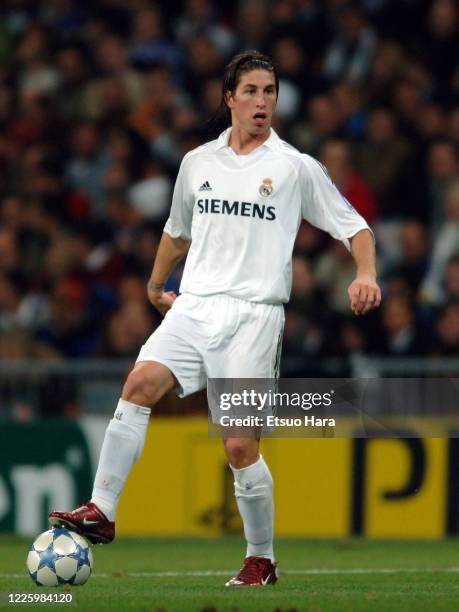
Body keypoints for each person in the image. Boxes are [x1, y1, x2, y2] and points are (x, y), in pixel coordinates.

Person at [49, 51, 381, 586]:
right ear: (229, 98)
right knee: (138, 384)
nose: (261, 101)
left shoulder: (293, 166)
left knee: (238, 444)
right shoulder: (197, 163)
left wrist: (365, 273)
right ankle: (102, 510)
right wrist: (157, 285)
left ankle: (261, 558)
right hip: (195, 304)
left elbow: (355, 227)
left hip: (254, 316)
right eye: (250, 91)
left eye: (269, 91)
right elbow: (177, 231)